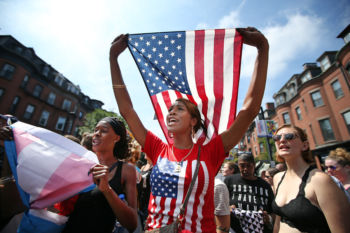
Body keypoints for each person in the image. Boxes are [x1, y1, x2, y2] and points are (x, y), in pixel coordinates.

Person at [109, 26, 269, 233]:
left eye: (179, 109)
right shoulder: (157, 148)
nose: (171, 113)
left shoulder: (212, 152)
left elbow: (250, 110)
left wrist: (262, 49)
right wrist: (113, 59)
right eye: (170, 109)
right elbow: (127, 110)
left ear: (194, 120)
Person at [62, 117, 138, 233]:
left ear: (117, 138)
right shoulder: (80, 161)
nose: (96, 134)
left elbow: (132, 224)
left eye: (104, 130)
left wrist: (107, 190)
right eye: (96, 130)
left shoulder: (126, 170)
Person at [271, 124, 350, 233]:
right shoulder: (277, 178)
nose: (282, 140)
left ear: (305, 145)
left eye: (289, 136)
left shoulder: (320, 180)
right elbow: (278, 221)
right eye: (277, 138)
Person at [224, 153, 274, 233]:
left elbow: (273, 212)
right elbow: (220, 204)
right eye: (242, 166)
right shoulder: (229, 181)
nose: (245, 169)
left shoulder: (265, 186)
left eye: (249, 165)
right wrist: (227, 208)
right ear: (238, 165)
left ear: (254, 165)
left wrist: (268, 218)